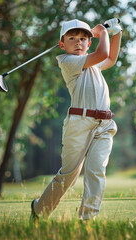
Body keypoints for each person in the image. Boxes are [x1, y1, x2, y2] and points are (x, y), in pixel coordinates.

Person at [30, 18, 122, 222]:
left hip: (105, 125)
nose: (78, 42)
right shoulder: (67, 61)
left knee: (96, 170)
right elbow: (103, 53)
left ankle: (87, 220)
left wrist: (117, 32)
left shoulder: (93, 65)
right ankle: (39, 210)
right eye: (72, 38)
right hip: (78, 125)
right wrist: (102, 33)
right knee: (68, 177)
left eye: (83, 39)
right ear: (62, 44)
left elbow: (112, 58)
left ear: (88, 43)